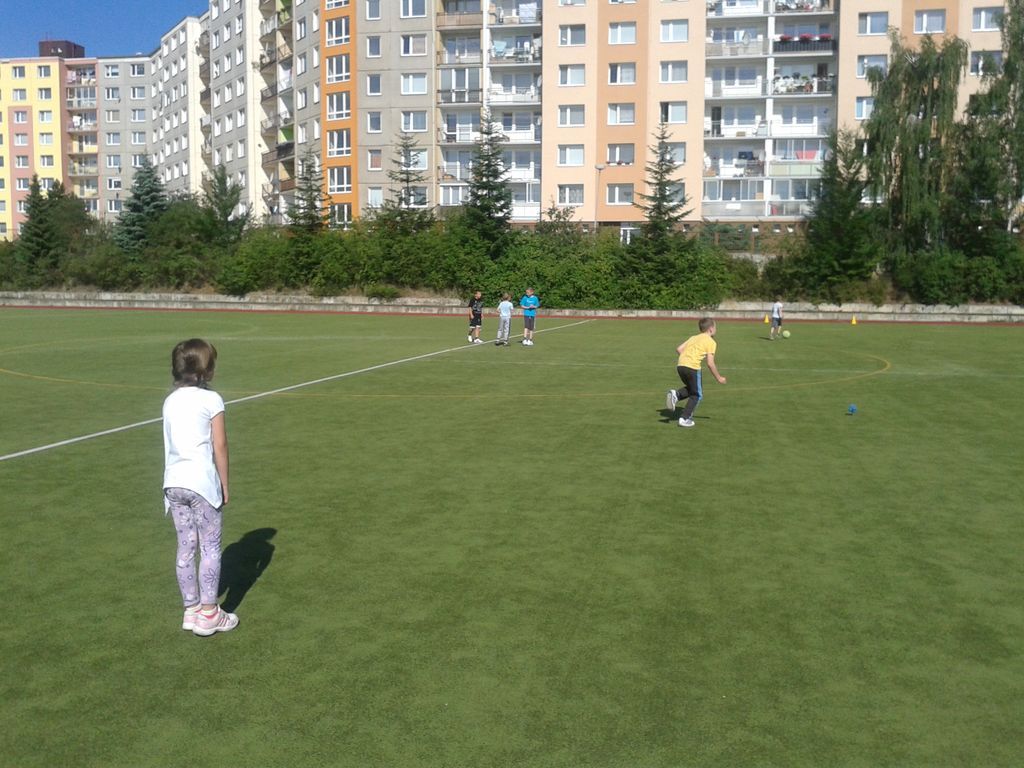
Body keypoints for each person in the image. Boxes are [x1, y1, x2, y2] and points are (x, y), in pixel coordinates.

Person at [162, 338, 238, 636]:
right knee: (210, 547)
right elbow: (220, 445)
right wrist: (224, 483)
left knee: (186, 546)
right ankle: (209, 614)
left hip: (173, 483)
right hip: (201, 484)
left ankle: (190, 609)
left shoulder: (170, 401)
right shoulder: (211, 400)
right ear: (206, 370)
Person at [665, 317, 727, 428]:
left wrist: (687, 358)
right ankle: (684, 418)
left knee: (692, 389)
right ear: (711, 329)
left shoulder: (694, 337)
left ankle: (676, 395)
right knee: (697, 395)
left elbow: (679, 349)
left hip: (681, 366)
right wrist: (719, 378)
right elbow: (710, 363)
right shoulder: (711, 342)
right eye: (715, 327)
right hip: (692, 368)